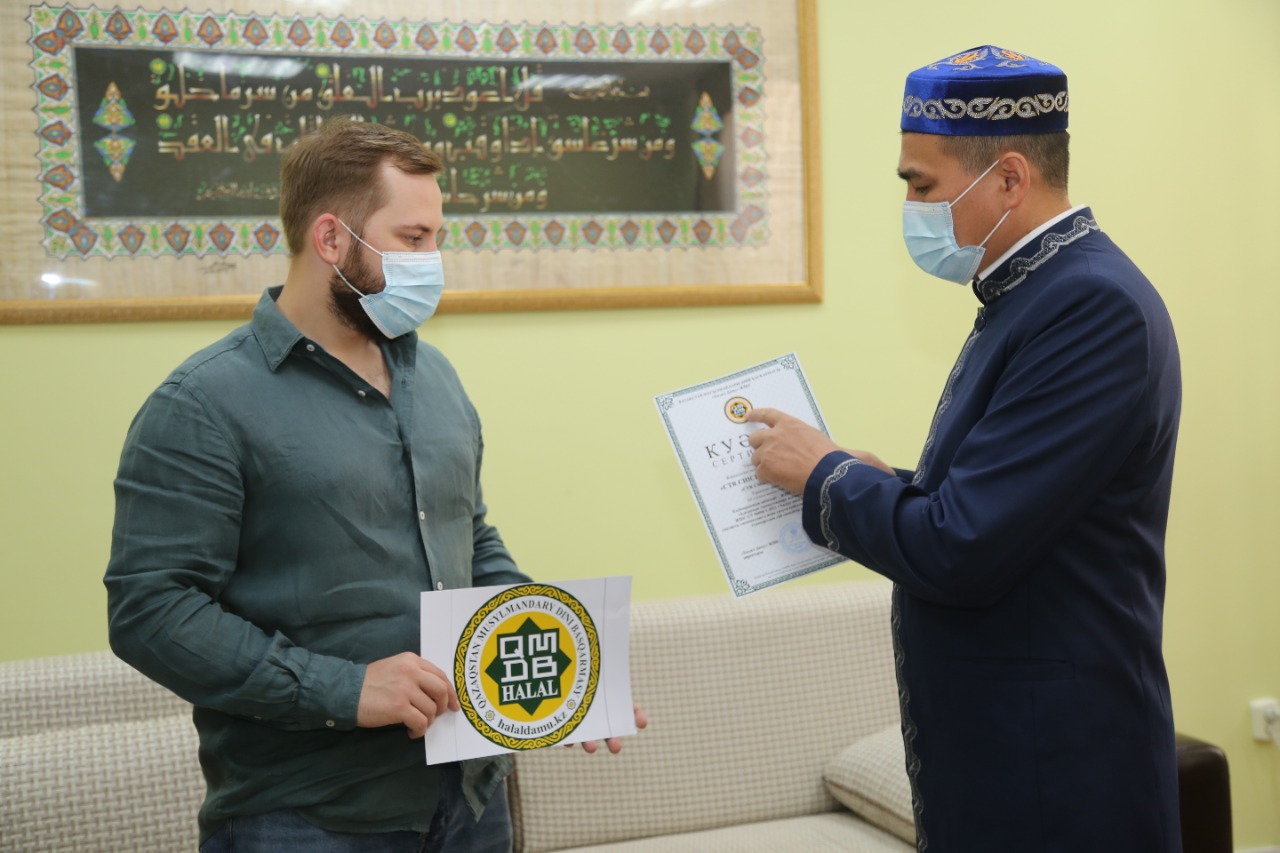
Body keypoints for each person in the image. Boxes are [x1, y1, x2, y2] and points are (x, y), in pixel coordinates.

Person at [105, 118, 641, 852]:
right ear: (331, 238)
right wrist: (346, 690)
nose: (433, 262)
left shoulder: (435, 376)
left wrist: (561, 670)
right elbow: (151, 610)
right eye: (414, 238)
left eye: (437, 238)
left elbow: (468, 536)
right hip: (308, 815)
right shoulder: (201, 403)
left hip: (471, 795)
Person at [747, 46, 1181, 851]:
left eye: (921, 185)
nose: (911, 207)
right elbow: (1008, 503)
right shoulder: (1033, 291)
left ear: (1009, 178)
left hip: (1057, 771)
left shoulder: (1089, 305)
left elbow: (962, 546)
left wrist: (824, 476)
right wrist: (886, 480)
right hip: (1006, 760)